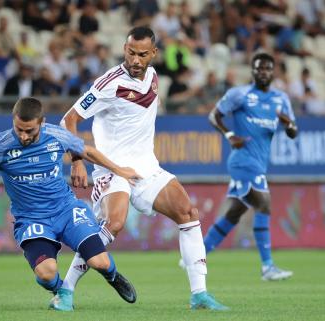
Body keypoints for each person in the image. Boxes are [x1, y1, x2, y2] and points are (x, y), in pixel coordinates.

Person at [54, 26, 228, 311]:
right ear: (125, 49)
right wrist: (77, 160)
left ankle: (199, 295)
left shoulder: (153, 76)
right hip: (113, 168)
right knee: (115, 224)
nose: (135, 60)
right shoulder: (108, 83)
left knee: (188, 213)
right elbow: (68, 120)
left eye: (142, 55)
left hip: (146, 167)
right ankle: (65, 290)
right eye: (131, 53)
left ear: (154, 54)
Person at [0, 97, 138, 311]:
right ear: (13, 121)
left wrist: (120, 170)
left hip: (66, 210)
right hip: (31, 219)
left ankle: (113, 277)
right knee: (46, 273)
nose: (23, 136)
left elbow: (87, 151)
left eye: (30, 131)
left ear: (42, 123)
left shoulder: (56, 135)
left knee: (99, 262)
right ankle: (62, 291)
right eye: (19, 129)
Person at [201, 52, 298, 281]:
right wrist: (230, 135)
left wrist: (290, 124)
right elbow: (214, 116)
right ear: (253, 71)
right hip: (243, 161)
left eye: (267, 68)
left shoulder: (281, 99)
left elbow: (293, 133)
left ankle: (197, 256)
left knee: (234, 213)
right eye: (258, 68)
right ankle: (268, 267)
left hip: (258, 163)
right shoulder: (240, 94)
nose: (262, 72)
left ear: (273, 72)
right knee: (263, 204)